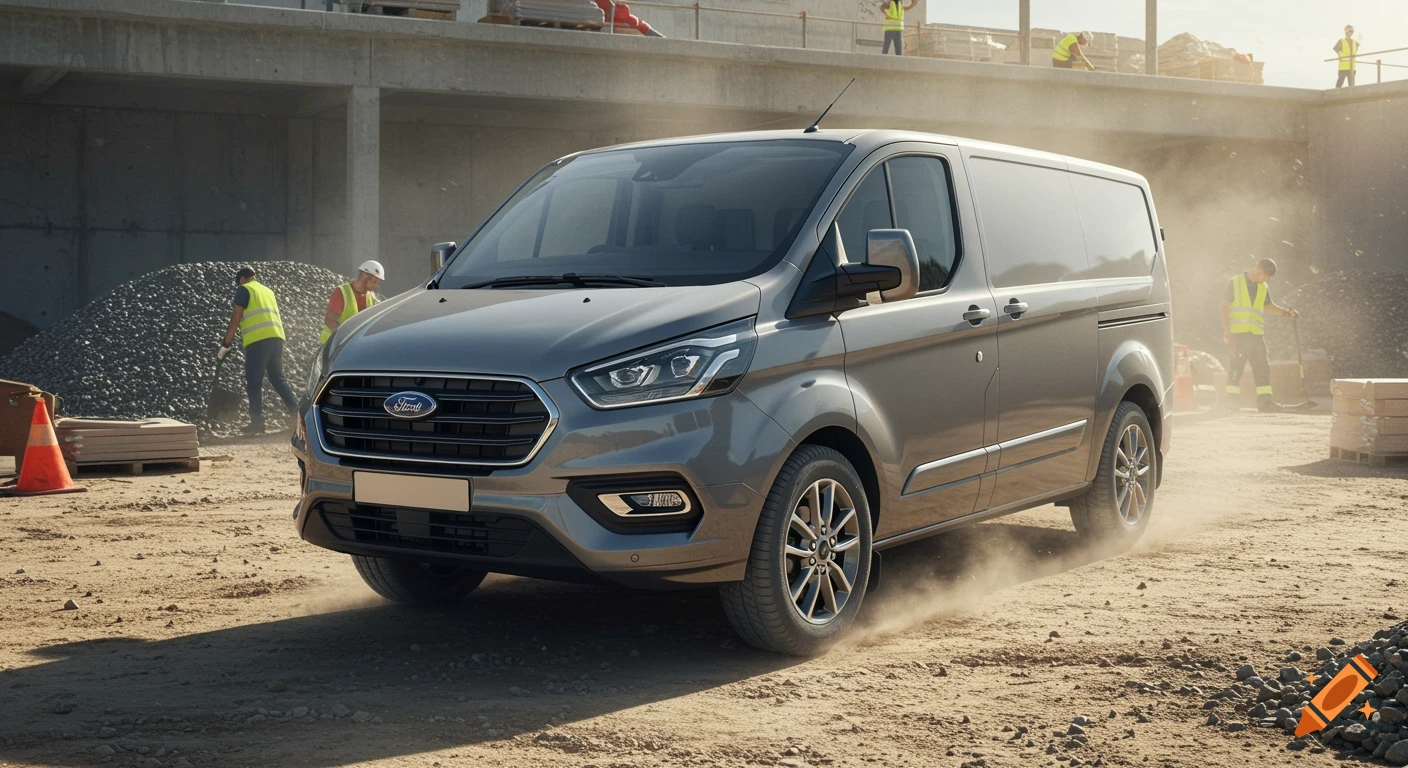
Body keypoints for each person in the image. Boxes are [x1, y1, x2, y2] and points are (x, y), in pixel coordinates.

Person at [219, 266, 298, 435]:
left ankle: (257, 423)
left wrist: (226, 344)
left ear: (241, 279)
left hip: (258, 341)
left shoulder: (244, 289)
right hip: (276, 337)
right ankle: (298, 416)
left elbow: (236, 317)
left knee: (254, 383)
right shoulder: (267, 291)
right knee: (277, 377)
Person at [1221, 258, 1299, 413]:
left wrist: (1286, 313)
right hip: (1238, 334)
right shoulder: (1235, 282)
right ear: (1258, 269)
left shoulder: (1263, 287)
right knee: (1236, 367)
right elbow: (1223, 307)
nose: (1265, 279)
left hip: (1256, 334)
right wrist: (1227, 332)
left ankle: (1265, 402)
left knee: (1262, 367)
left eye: (1268, 278)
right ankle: (1232, 402)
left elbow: (1268, 306)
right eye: (1265, 276)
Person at [320, 260, 385, 344]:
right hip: (332, 346)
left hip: (352, 345)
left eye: (377, 282)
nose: (376, 285)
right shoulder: (342, 292)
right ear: (364, 275)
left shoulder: (370, 296)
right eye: (374, 281)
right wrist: (344, 338)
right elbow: (330, 320)